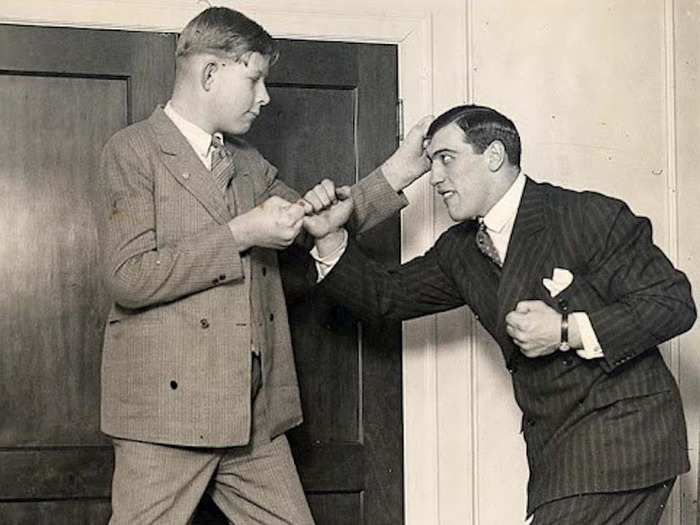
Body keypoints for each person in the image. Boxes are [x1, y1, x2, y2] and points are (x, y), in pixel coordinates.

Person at [99, 6, 430, 524]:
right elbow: (130, 277)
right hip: (165, 420)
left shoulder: (248, 162)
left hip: (252, 415)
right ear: (210, 73)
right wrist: (240, 234)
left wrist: (398, 172)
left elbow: (321, 224)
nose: (265, 96)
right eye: (254, 78)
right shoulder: (134, 151)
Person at [309, 104, 697, 524]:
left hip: (625, 437)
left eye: (445, 159)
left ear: (493, 156)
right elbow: (384, 297)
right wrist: (330, 236)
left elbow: (673, 303)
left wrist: (566, 330)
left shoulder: (585, 215)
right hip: (559, 454)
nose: (434, 177)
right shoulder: (460, 250)